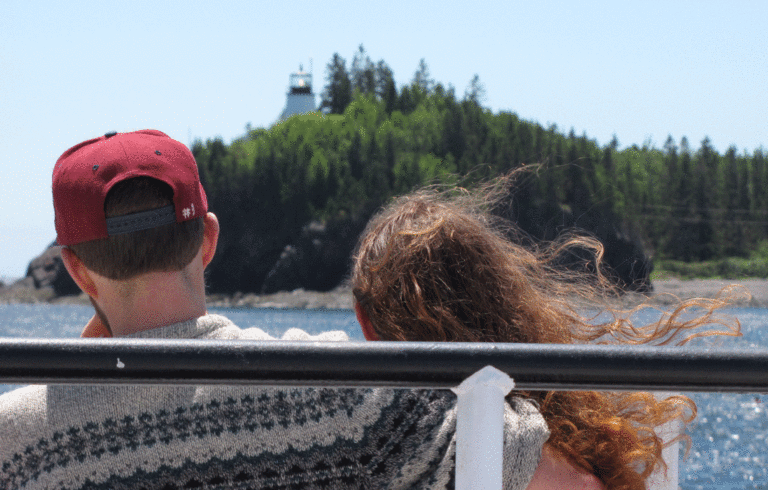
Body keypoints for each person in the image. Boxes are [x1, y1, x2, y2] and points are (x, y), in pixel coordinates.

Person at [0, 130, 549, 490]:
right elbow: (513, 446)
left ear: (74, 269)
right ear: (208, 240)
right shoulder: (336, 394)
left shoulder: (19, 440)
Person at [350, 177, 743, 490]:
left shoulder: (356, 428)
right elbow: (582, 486)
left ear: (365, 322)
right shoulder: (543, 440)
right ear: (501, 299)